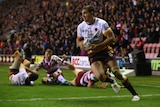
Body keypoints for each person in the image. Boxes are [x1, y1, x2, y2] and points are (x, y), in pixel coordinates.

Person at [76, 5, 140, 101]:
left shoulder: (101, 24)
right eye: (82, 14)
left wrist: (98, 46)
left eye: (85, 13)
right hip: (93, 54)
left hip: (105, 51)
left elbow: (112, 38)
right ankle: (112, 81)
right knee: (100, 76)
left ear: (92, 13)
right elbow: (79, 40)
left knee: (117, 72)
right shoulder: (81, 26)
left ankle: (135, 94)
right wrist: (82, 45)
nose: (83, 16)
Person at [52, 55, 123, 92]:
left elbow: (112, 81)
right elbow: (89, 85)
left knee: (73, 68)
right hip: (80, 81)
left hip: (83, 73)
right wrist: (100, 87)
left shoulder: (101, 72)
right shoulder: (96, 76)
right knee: (68, 82)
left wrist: (120, 86)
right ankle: (58, 77)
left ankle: (62, 61)